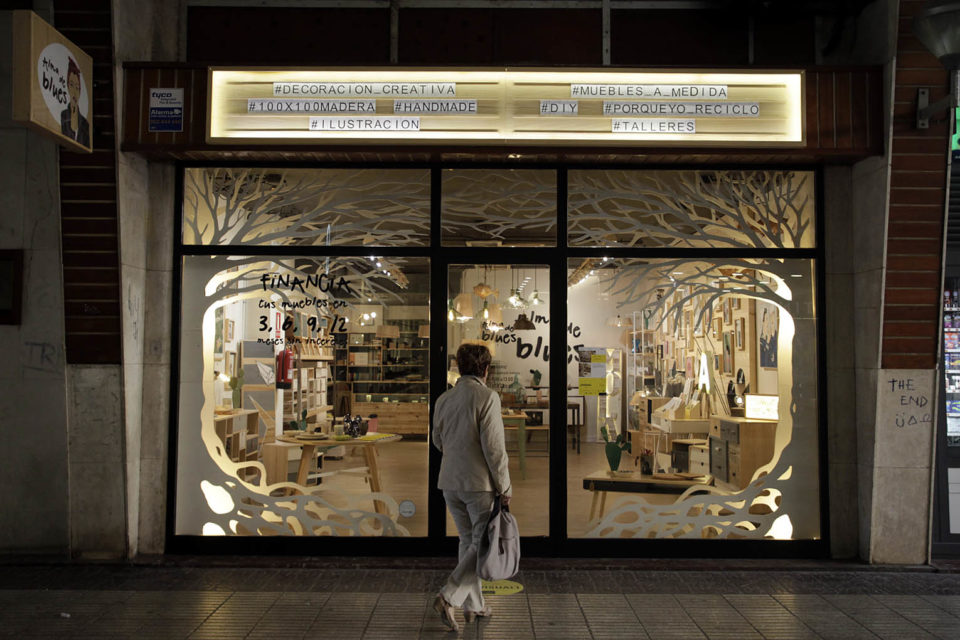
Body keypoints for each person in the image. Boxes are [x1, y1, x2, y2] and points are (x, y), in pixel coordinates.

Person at [431, 343, 512, 632]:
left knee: (469, 542)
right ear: (486, 369)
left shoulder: (444, 399)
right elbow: (495, 449)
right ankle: (448, 595)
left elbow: (437, 441)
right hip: (479, 485)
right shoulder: (487, 397)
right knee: (481, 544)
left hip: (450, 481)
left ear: (458, 366)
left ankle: (474, 606)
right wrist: (504, 487)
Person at [60, 57, 90, 147]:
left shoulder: (85, 124)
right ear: (68, 86)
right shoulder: (63, 115)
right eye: (71, 85)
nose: (74, 92)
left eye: (77, 88)